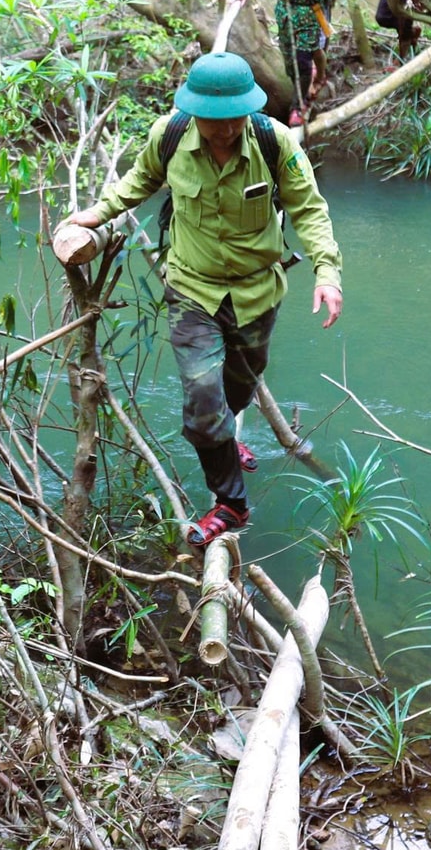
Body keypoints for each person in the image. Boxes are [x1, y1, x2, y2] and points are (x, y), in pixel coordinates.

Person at [64, 53, 344, 546]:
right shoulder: (169, 135)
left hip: (258, 291)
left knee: (240, 383)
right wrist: (98, 213)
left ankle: (226, 441)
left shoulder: (274, 141)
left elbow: (309, 208)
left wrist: (328, 273)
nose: (224, 131)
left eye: (234, 119)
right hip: (193, 289)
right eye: (214, 122)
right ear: (195, 113)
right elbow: (140, 181)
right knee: (201, 398)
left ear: (248, 110)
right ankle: (231, 504)